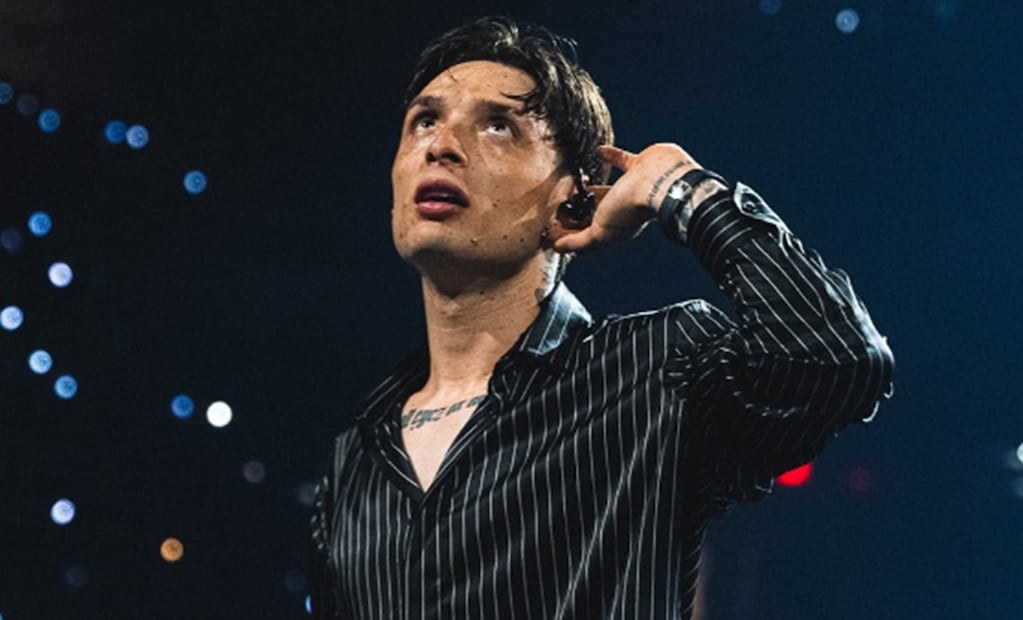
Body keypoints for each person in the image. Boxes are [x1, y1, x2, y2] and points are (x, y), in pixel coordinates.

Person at [309, 15, 893, 620]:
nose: (441, 145)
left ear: (575, 195)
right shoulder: (356, 456)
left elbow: (833, 354)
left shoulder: (657, 370)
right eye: (425, 121)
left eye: (499, 126)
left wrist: (684, 191)